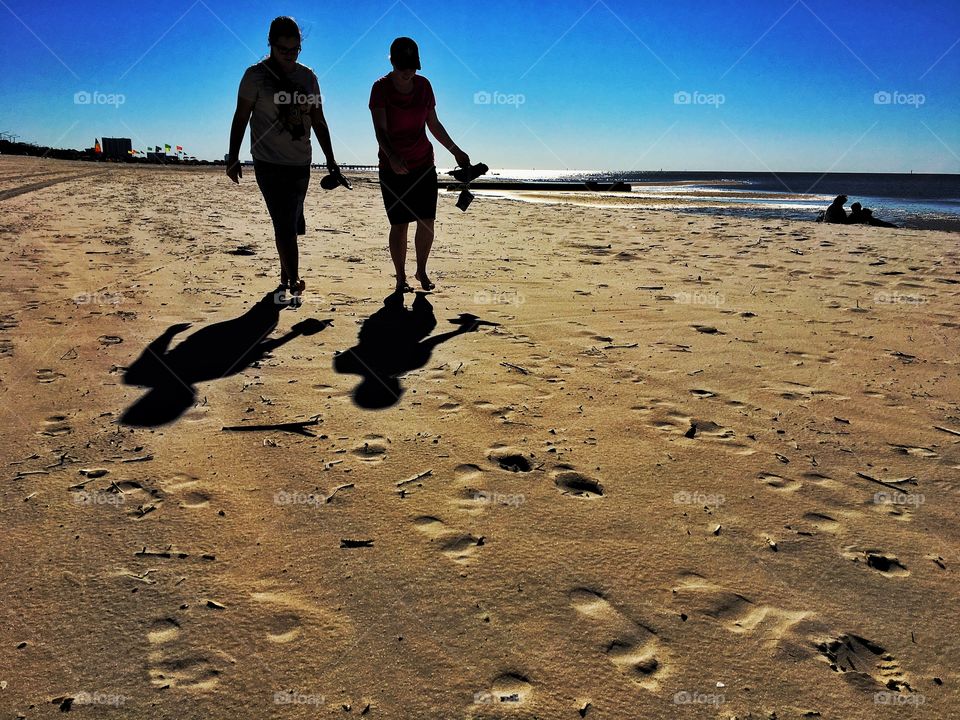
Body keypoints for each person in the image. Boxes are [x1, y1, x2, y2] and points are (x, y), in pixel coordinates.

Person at [226, 16, 340, 302]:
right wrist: (233, 156)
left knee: (290, 221)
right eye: (283, 49)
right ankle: (294, 279)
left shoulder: (308, 77)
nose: (289, 55)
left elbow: (318, 119)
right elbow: (241, 118)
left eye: (295, 50)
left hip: (301, 161)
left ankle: (284, 271)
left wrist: (332, 160)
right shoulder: (255, 76)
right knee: (284, 220)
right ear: (271, 44)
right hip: (268, 162)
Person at [369, 37, 472, 293]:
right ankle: (401, 277)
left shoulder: (424, 86)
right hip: (391, 167)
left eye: (412, 66)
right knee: (400, 223)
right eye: (403, 66)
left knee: (426, 220)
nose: (408, 72)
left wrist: (456, 151)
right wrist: (392, 156)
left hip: (423, 163)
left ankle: (421, 271)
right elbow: (380, 130)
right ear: (392, 62)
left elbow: (433, 124)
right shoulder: (380, 88)